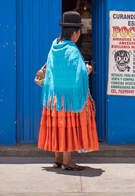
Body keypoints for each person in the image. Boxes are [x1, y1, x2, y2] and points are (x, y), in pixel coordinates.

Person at [38, 11, 99, 171]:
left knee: (58, 127)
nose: (79, 35)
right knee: (66, 127)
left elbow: (53, 70)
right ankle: (67, 161)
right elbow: (77, 74)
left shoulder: (55, 45)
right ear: (74, 32)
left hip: (53, 97)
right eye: (79, 32)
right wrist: (88, 70)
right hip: (68, 98)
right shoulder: (72, 50)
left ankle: (57, 159)